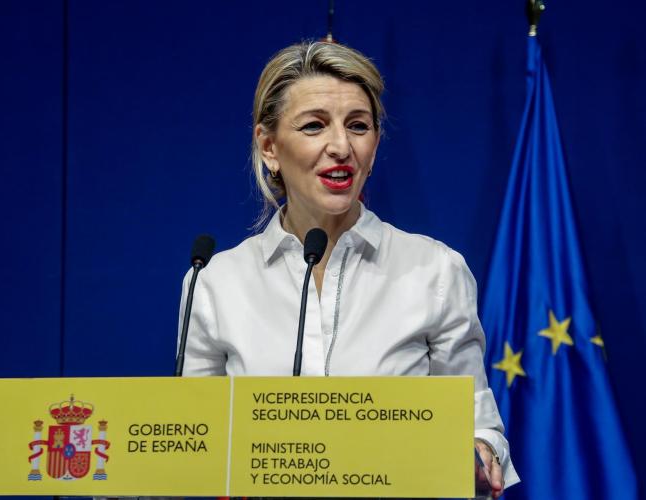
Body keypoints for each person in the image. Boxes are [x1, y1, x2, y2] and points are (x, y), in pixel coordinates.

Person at [179, 40, 520, 497]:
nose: (341, 146)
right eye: (314, 125)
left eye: (358, 126)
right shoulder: (215, 283)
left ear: (374, 147)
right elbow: (193, 443)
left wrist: (479, 454)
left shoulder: (435, 271)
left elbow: (479, 426)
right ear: (269, 146)